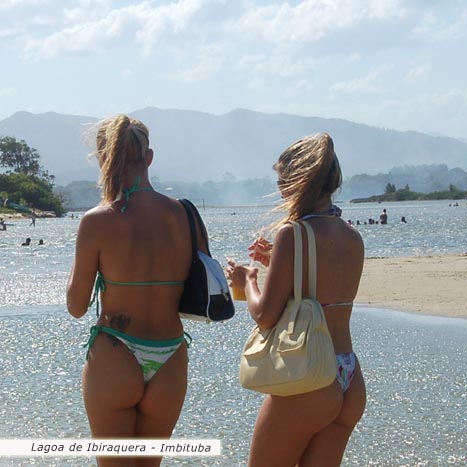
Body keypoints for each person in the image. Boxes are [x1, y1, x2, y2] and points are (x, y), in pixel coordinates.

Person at [66, 114, 199, 467]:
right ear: (150, 157)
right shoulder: (184, 215)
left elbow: (76, 306)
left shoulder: (97, 221)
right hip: (170, 354)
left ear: (104, 160)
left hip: (116, 351)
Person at [226, 133, 365, 467]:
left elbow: (265, 316)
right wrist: (278, 263)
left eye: (281, 181)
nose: (279, 190)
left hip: (311, 376)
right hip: (348, 375)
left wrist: (248, 280)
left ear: (298, 182)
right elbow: (323, 292)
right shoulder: (351, 235)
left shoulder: (292, 233)